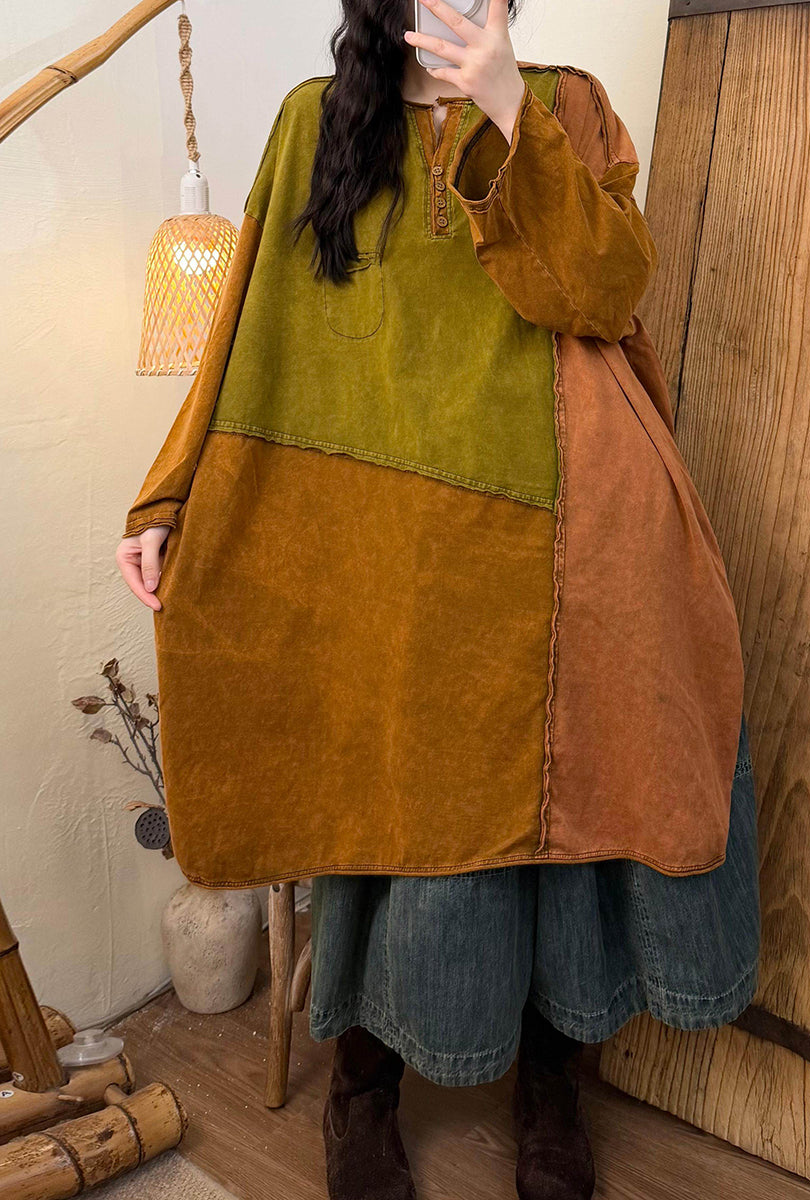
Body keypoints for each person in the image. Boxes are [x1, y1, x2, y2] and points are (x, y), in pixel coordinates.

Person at [117, 1, 761, 1197]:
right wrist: (167, 496)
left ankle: (552, 1089)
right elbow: (246, 328)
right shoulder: (316, 122)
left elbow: (607, 293)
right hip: (390, 551)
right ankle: (361, 1090)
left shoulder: (568, 102)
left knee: (573, 816)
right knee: (381, 798)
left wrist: (511, 108)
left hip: (571, 535)